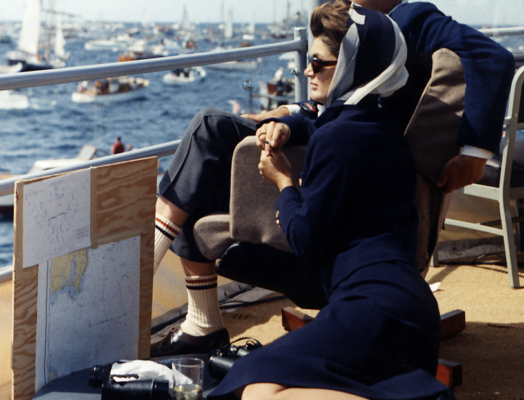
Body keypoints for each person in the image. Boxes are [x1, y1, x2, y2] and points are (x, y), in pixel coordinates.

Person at [150, 0, 515, 358]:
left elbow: (492, 57)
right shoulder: (352, 29)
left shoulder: (410, 19)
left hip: (348, 169)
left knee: (207, 138)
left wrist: (475, 154)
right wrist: (287, 118)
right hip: (332, 140)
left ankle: (159, 292)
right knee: (203, 154)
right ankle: (197, 320)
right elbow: (335, 100)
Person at [207, 3, 450, 399]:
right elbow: (320, 123)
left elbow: (304, 240)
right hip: (407, 312)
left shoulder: (336, 138)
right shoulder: (382, 126)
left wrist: (284, 181)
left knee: (253, 390)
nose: (307, 71)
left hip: (371, 309)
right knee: (258, 380)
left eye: (318, 63)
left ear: (353, 64)